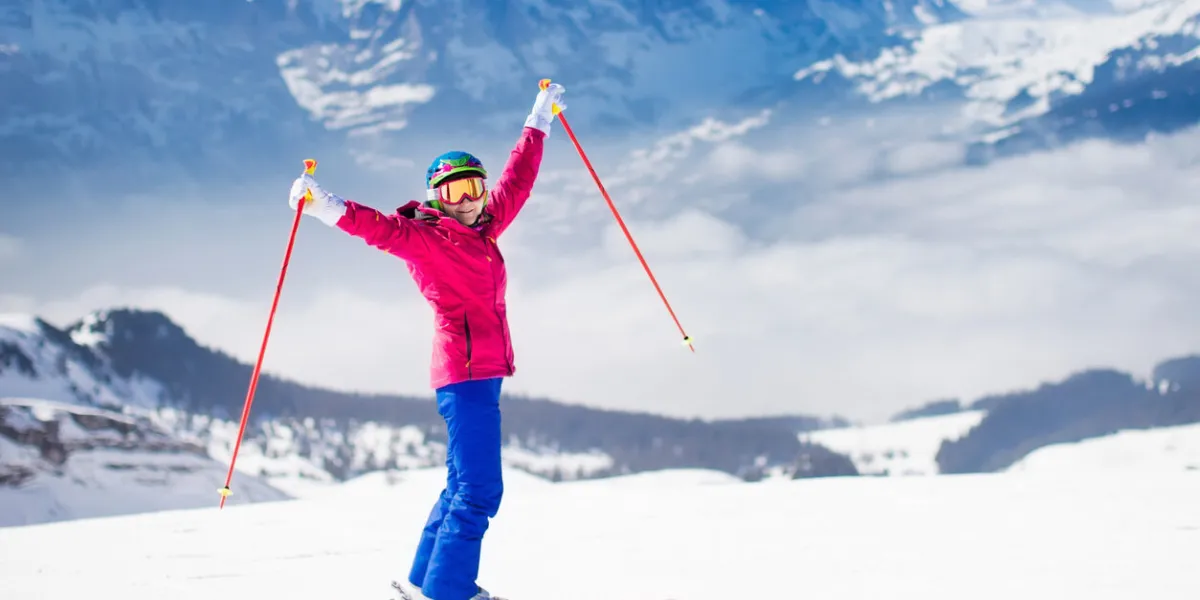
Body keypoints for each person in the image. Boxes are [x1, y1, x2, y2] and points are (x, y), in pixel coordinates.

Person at [286, 82, 568, 600]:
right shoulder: (427, 239)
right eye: (452, 193)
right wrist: (322, 204)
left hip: (479, 374)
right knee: (481, 490)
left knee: (462, 484)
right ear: (436, 198)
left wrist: (539, 120)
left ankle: (424, 582)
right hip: (464, 375)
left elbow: (519, 181)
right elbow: (377, 228)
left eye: (473, 189)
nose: (465, 201)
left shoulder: (484, 228)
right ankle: (449, 592)